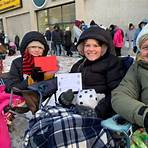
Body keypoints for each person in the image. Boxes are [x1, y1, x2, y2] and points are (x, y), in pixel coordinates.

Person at [61, 26, 125, 119]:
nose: (91, 49)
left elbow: (116, 92)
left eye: (95, 45)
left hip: (102, 113)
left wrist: (98, 111)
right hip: (76, 109)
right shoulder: (79, 65)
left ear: (103, 48)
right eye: (87, 45)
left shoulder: (112, 63)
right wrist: (64, 98)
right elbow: (67, 86)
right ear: (82, 47)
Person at [5, 31, 55, 113]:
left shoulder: (47, 62)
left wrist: (45, 78)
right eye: (33, 47)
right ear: (26, 48)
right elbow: (11, 88)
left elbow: (52, 87)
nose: (36, 50)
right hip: (20, 98)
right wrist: (29, 80)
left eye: (40, 48)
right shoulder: (17, 63)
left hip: (40, 98)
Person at [111, 24, 148, 132]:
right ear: (140, 50)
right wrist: (144, 115)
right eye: (146, 47)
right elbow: (119, 95)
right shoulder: (137, 68)